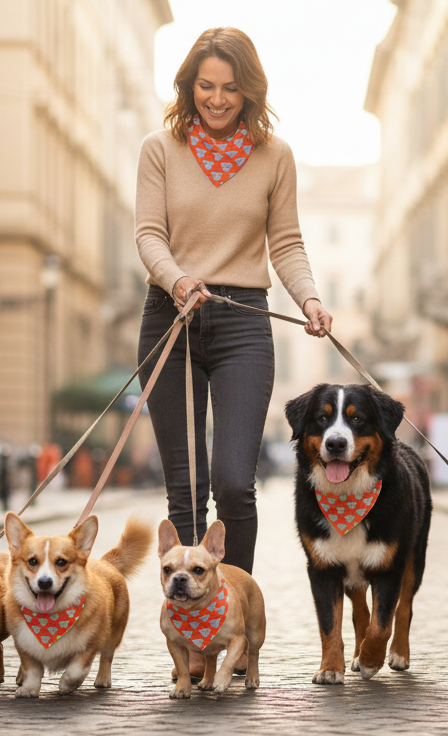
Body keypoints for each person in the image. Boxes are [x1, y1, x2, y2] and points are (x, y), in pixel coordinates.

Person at [135, 27, 332, 577]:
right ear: (188, 86)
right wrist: (176, 280)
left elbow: (286, 244)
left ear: (249, 90)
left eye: (230, 87)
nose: (217, 99)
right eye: (205, 86)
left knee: (233, 484)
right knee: (187, 491)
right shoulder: (160, 149)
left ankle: (232, 612)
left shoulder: (274, 157)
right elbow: (149, 234)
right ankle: (194, 634)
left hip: (243, 325)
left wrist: (310, 298)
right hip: (170, 319)